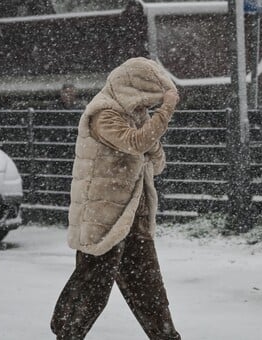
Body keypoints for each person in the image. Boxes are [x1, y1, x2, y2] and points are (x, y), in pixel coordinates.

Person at [51, 57, 181, 340]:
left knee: (150, 291)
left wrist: (152, 135)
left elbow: (156, 162)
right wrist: (165, 110)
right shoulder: (103, 114)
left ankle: (167, 337)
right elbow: (135, 143)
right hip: (105, 220)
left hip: (133, 217)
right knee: (91, 288)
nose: (147, 108)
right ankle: (66, 334)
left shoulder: (136, 116)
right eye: (146, 101)